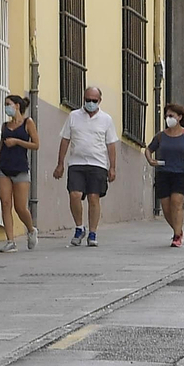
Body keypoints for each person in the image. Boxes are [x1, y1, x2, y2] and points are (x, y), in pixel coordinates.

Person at [53, 85, 118, 248]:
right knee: (74, 194)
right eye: (87, 100)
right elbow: (65, 140)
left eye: (93, 100)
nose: (90, 103)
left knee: (93, 198)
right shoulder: (74, 116)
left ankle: (93, 232)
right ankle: (79, 227)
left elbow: (111, 144)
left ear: (99, 101)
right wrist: (60, 163)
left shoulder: (106, 119)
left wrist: (112, 167)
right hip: (76, 163)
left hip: (98, 164)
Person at [0, 95, 40, 253]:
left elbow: (36, 144)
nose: (6, 107)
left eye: (8, 104)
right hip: (3, 168)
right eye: (5, 104)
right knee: (6, 204)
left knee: (21, 207)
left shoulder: (28, 123)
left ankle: (31, 229)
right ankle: (10, 240)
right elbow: (0, 150)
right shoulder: (5, 126)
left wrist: (17, 142)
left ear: (17, 106)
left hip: (20, 168)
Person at [146, 103, 184, 248]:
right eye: (167, 116)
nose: (169, 119)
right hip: (163, 173)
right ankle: (178, 230)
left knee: (176, 202)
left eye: (171, 116)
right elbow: (149, 149)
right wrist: (150, 160)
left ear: (179, 117)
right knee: (166, 207)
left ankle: (176, 235)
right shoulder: (161, 136)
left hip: (182, 174)